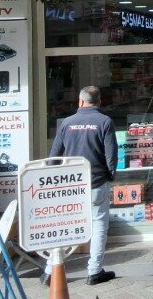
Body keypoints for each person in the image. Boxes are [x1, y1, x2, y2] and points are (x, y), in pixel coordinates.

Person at [43, 85, 118, 286]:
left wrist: (54, 181)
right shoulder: (105, 122)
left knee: (64, 227)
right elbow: (111, 155)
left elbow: (53, 157)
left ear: (80, 101)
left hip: (71, 186)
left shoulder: (67, 123)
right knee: (99, 225)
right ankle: (94, 271)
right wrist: (110, 175)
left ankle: (50, 270)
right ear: (99, 101)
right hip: (96, 183)